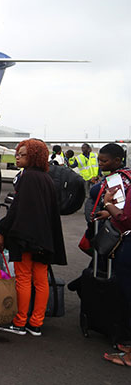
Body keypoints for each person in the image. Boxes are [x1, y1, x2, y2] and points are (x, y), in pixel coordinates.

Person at [0, 139, 67, 337]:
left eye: (22, 154)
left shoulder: (27, 178)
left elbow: (17, 209)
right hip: (44, 237)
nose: (17, 157)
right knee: (41, 280)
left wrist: (2, 229)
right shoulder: (46, 178)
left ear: (33, 156)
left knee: (24, 279)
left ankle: (19, 322)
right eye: (17, 153)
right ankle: (36, 323)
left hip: (25, 236)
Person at [89, 143, 131, 365]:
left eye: (104, 161)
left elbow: (124, 215)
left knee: (123, 291)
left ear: (117, 161)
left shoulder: (116, 179)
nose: (100, 164)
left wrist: (107, 202)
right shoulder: (127, 176)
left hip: (121, 236)